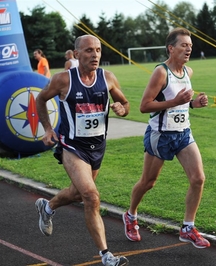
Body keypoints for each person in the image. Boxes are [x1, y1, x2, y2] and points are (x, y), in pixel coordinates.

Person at [35, 35, 130, 266]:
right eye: (89, 50)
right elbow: (40, 99)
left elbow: (126, 105)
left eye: (98, 50)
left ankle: (47, 207)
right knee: (91, 196)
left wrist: (121, 108)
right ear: (76, 54)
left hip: (97, 147)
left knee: (77, 193)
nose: (95, 55)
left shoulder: (108, 78)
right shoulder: (63, 80)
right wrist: (48, 129)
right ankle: (106, 255)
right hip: (72, 146)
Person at [122, 28, 211, 249]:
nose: (188, 49)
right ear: (171, 48)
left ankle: (188, 228)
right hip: (160, 135)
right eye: (184, 45)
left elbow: (181, 102)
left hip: (183, 133)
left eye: (190, 46)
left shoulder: (188, 72)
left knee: (198, 179)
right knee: (148, 182)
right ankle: (131, 216)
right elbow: (144, 106)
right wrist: (176, 101)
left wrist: (193, 104)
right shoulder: (161, 73)